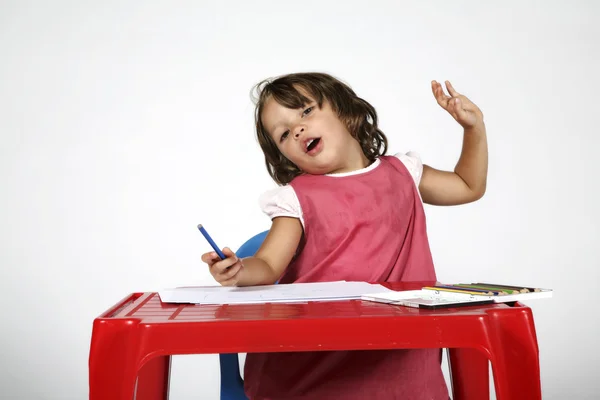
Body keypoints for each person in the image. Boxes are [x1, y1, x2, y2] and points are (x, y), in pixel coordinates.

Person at [201, 72, 488, 400]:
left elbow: (469, 186)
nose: (297, 129)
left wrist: (473, 127)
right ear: (285, 157)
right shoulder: (296, 199)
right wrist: (240, 270)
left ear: (345, 110)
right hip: (316, 371)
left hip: (402, 364)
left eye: (306, 111)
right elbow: (268, 265)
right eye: (283, 134)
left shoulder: (403, 173)